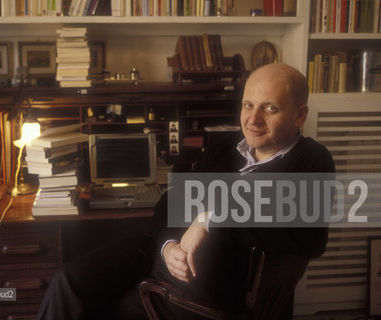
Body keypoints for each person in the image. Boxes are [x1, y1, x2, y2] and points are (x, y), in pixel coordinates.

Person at [35, 63, 335, 320]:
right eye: (248, 105)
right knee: (69, 282)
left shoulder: (312, 160)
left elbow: (309, 238)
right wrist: (168, 245)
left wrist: (209, 218)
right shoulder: (224, 146)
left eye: (270, 108)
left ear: (299, 115)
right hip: (165, 252)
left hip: (205, 288)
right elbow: (172, 202)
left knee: (100, 307)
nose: (253, 119)